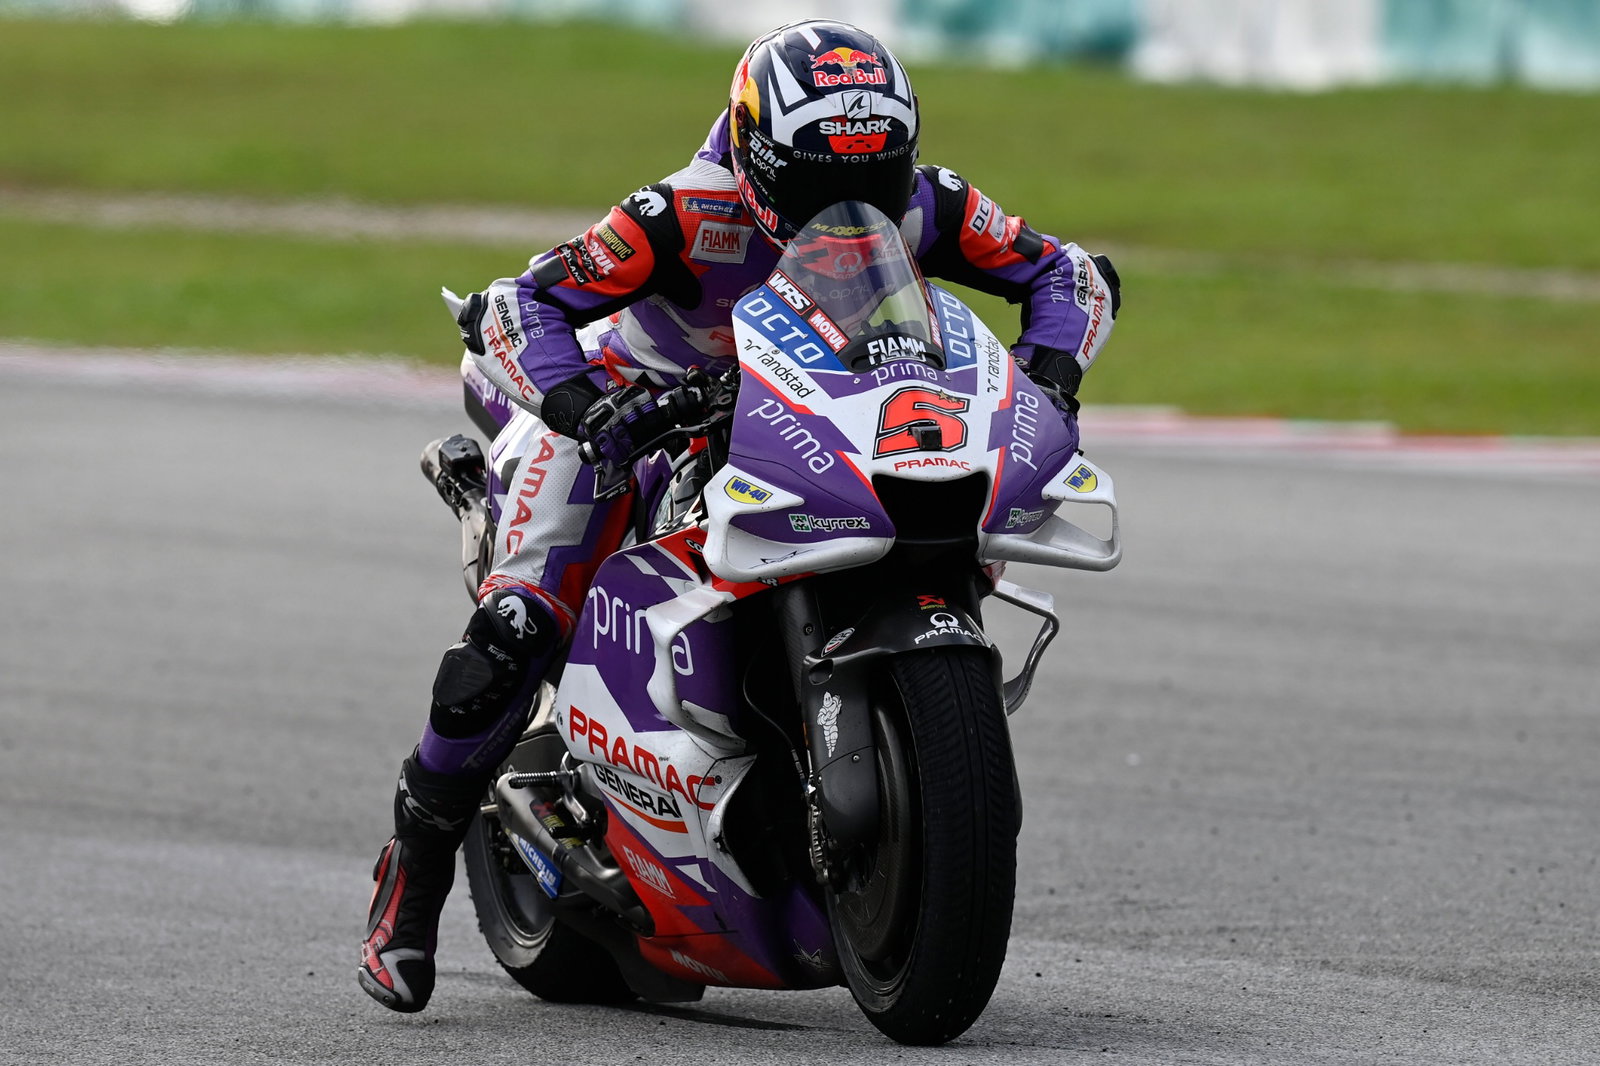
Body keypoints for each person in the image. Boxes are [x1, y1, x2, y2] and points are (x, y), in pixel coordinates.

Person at [359, 18, 1121, 1013]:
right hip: (640, 412)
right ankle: (411, 879)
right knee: (514, 629)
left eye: (877, 174)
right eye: (820, 182)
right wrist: (588, 407)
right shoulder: (683, 212)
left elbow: (1067, 273)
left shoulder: (929, 203)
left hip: (813, 412)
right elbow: (518, 304)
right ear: (759, 162)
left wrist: (1049, 375)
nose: (855, 201)